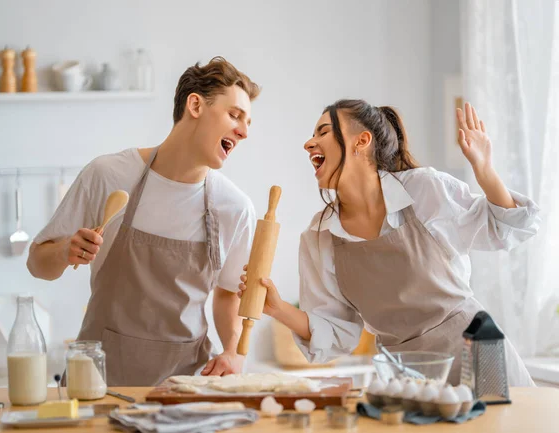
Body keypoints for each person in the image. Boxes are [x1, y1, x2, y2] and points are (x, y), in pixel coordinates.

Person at [238, 100, 539, 385]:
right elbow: (337, 333)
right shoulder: (320, 236)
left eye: (324, 132)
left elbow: (506, 227)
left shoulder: (423, 191)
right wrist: (278, 309)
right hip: (409, 375)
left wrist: (484, 170)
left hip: (477, 354)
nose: (308, 143)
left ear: (361, 141)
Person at [27, 56, 260, 386]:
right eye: (235, 115)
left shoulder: (234, 208)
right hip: (96, 383)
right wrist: (66, 249)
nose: (244, 132)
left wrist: (234, 351)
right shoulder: (109, 175)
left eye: (248, 122)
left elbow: (228, 293)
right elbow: (37, 264)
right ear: (195, 105)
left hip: (183, 389)